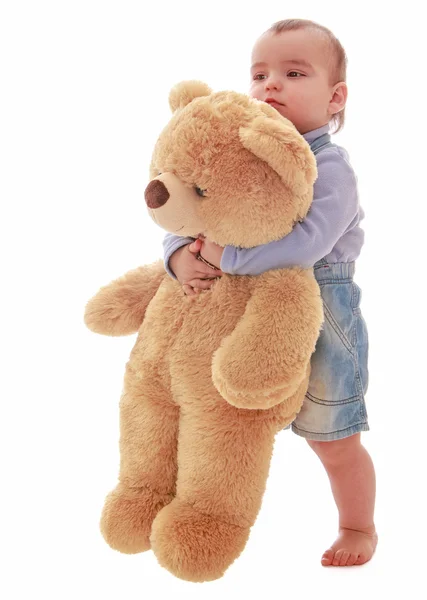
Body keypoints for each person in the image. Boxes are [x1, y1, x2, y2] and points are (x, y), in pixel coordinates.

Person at [162, 18, 377, 567]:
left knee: (333, 436)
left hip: (321, 311)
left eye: (293, 72)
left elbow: (307, 244)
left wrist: (222, 255)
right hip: (240, 309)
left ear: (335, 98)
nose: (269, 86)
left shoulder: (332, 169)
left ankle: (358, 525)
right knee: (217, 414)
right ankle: (194, 502)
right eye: (259, 74)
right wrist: (178, 254)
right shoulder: (241, 147)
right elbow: (189, 201)